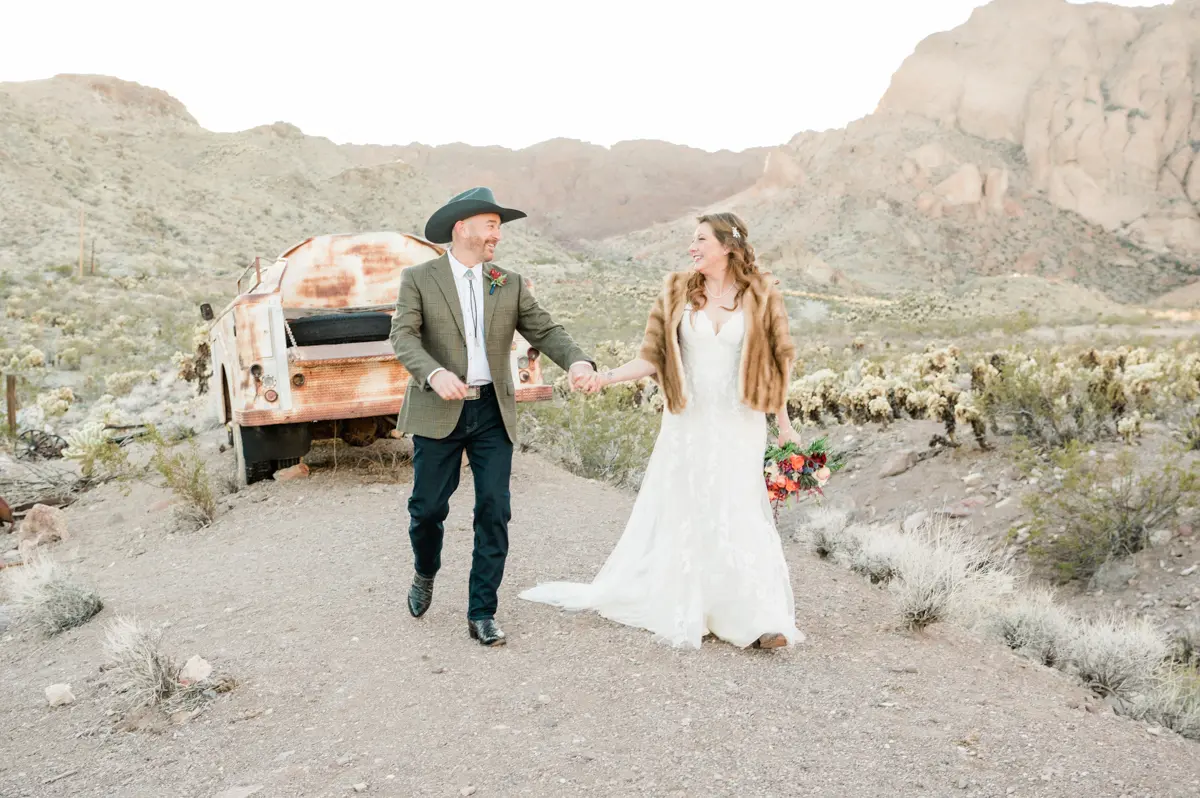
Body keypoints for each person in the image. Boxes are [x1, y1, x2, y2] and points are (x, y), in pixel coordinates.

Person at [519, 212, 804, 650]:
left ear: (728, 246)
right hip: (687, 422)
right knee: (691, 509)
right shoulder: (675, 292)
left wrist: (784, 426)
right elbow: (651, 357)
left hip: (739, 423)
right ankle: (690, 604)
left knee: (737, 508)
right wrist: (605, 377)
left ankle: (753, 617)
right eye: (693, 240)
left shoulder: (763, 295)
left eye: (701, 239)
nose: (692, 247)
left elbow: (777, 364)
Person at [390, 187, 597, 646]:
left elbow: (545, 329)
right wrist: (434, 372)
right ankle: (425, 570)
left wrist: (578, 361)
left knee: (494, 510)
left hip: (491, 411)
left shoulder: (508, 282)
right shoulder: (419, 278)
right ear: (461, 227)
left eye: (498, 228)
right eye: (491, 225)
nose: (497, 236)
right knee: (427, 510)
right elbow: (403, 336)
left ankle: (482, 611)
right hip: (438, 408)